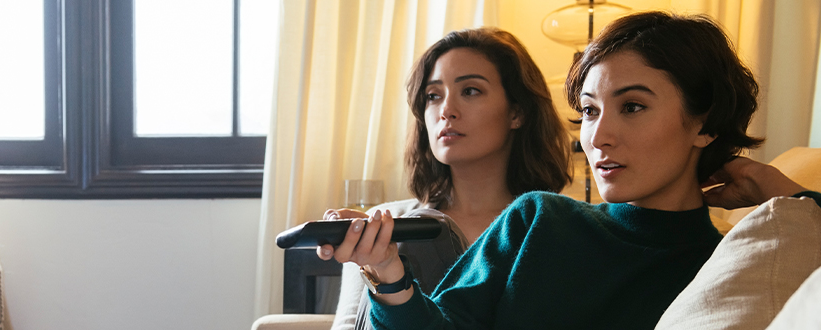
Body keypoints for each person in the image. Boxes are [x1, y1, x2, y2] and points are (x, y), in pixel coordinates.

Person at [331, 11, 821, 330]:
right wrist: (388, 275)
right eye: (589, 111)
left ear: (706, 124)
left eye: (631, 107)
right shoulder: (538, 220)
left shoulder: (730, 265)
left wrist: (794, 195)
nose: (598, 137)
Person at [314, 27, 571, 329]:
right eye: (433, 96)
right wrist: (377, 262)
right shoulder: (385, 224)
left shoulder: (552, 227)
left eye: (470, 91)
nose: (446, 110)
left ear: (517, 112)